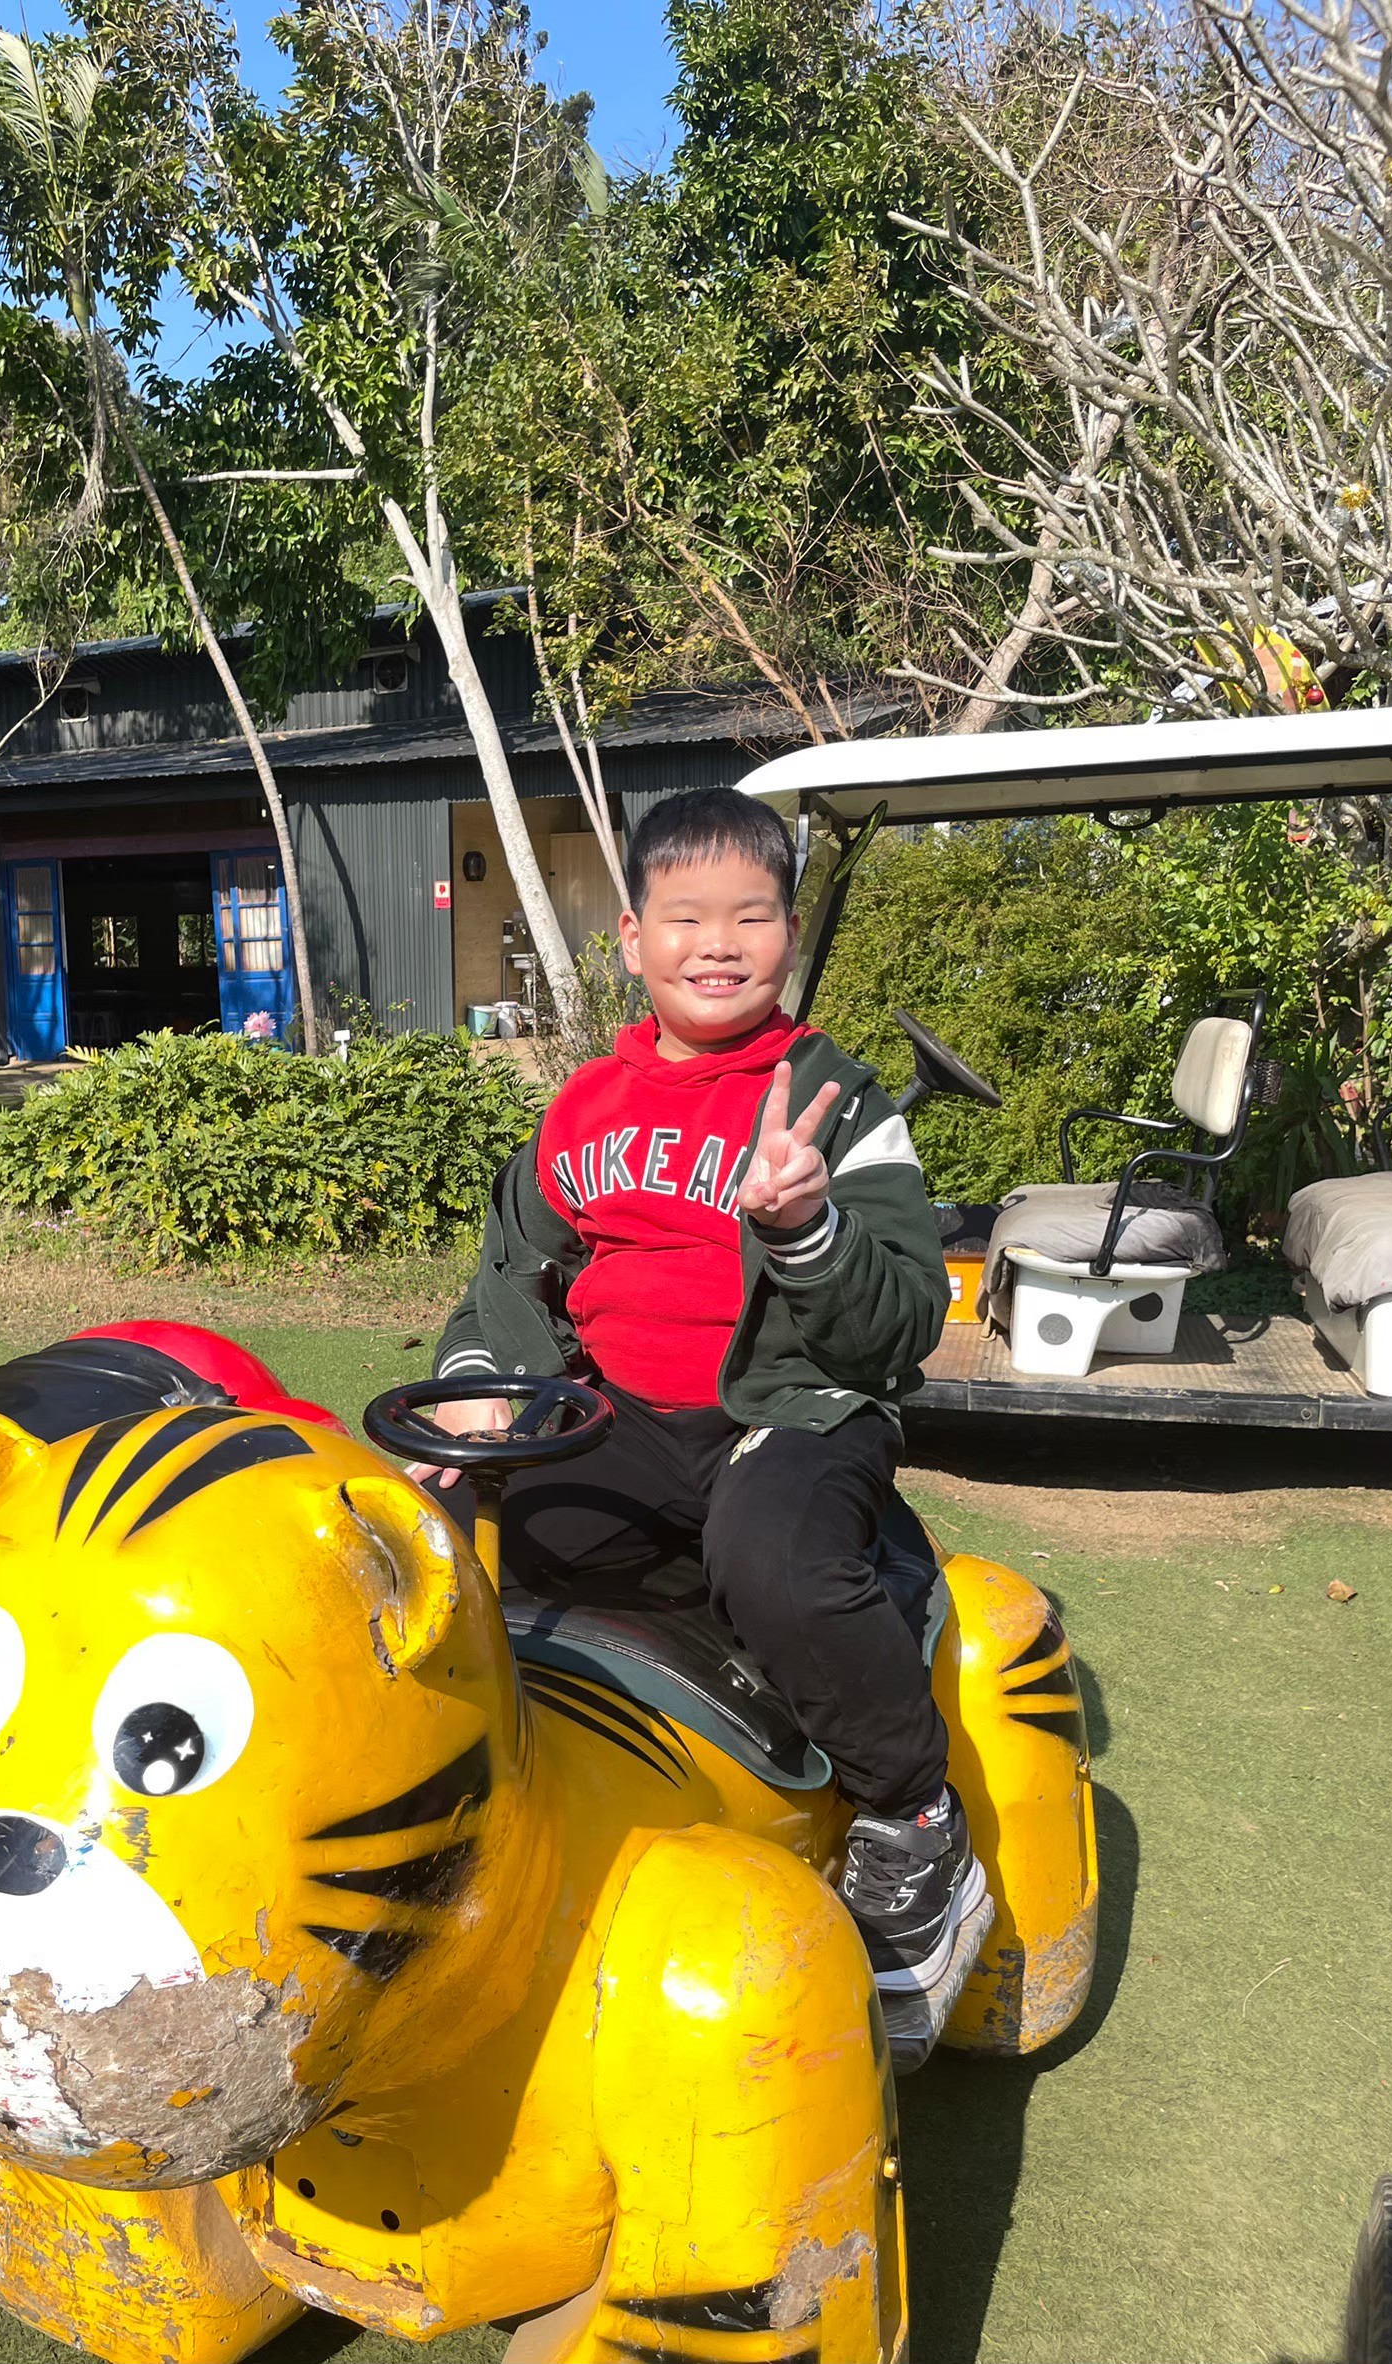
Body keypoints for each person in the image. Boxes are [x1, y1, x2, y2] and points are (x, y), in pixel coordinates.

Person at [409, 784, 982, 2004]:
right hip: (622, 1413)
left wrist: (808, 1227)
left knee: (774, 1555)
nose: (717, 944)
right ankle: (459, 1797)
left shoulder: (836, 1101)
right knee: (451, 1531)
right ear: (631, 938)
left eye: (750, 916)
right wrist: (477, 1394)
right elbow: (509, 1277)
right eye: (684, 917)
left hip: (794, 1410)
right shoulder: (583, 1107)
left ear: (789, 932)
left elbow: (902, 1326)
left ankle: (913, 1817)